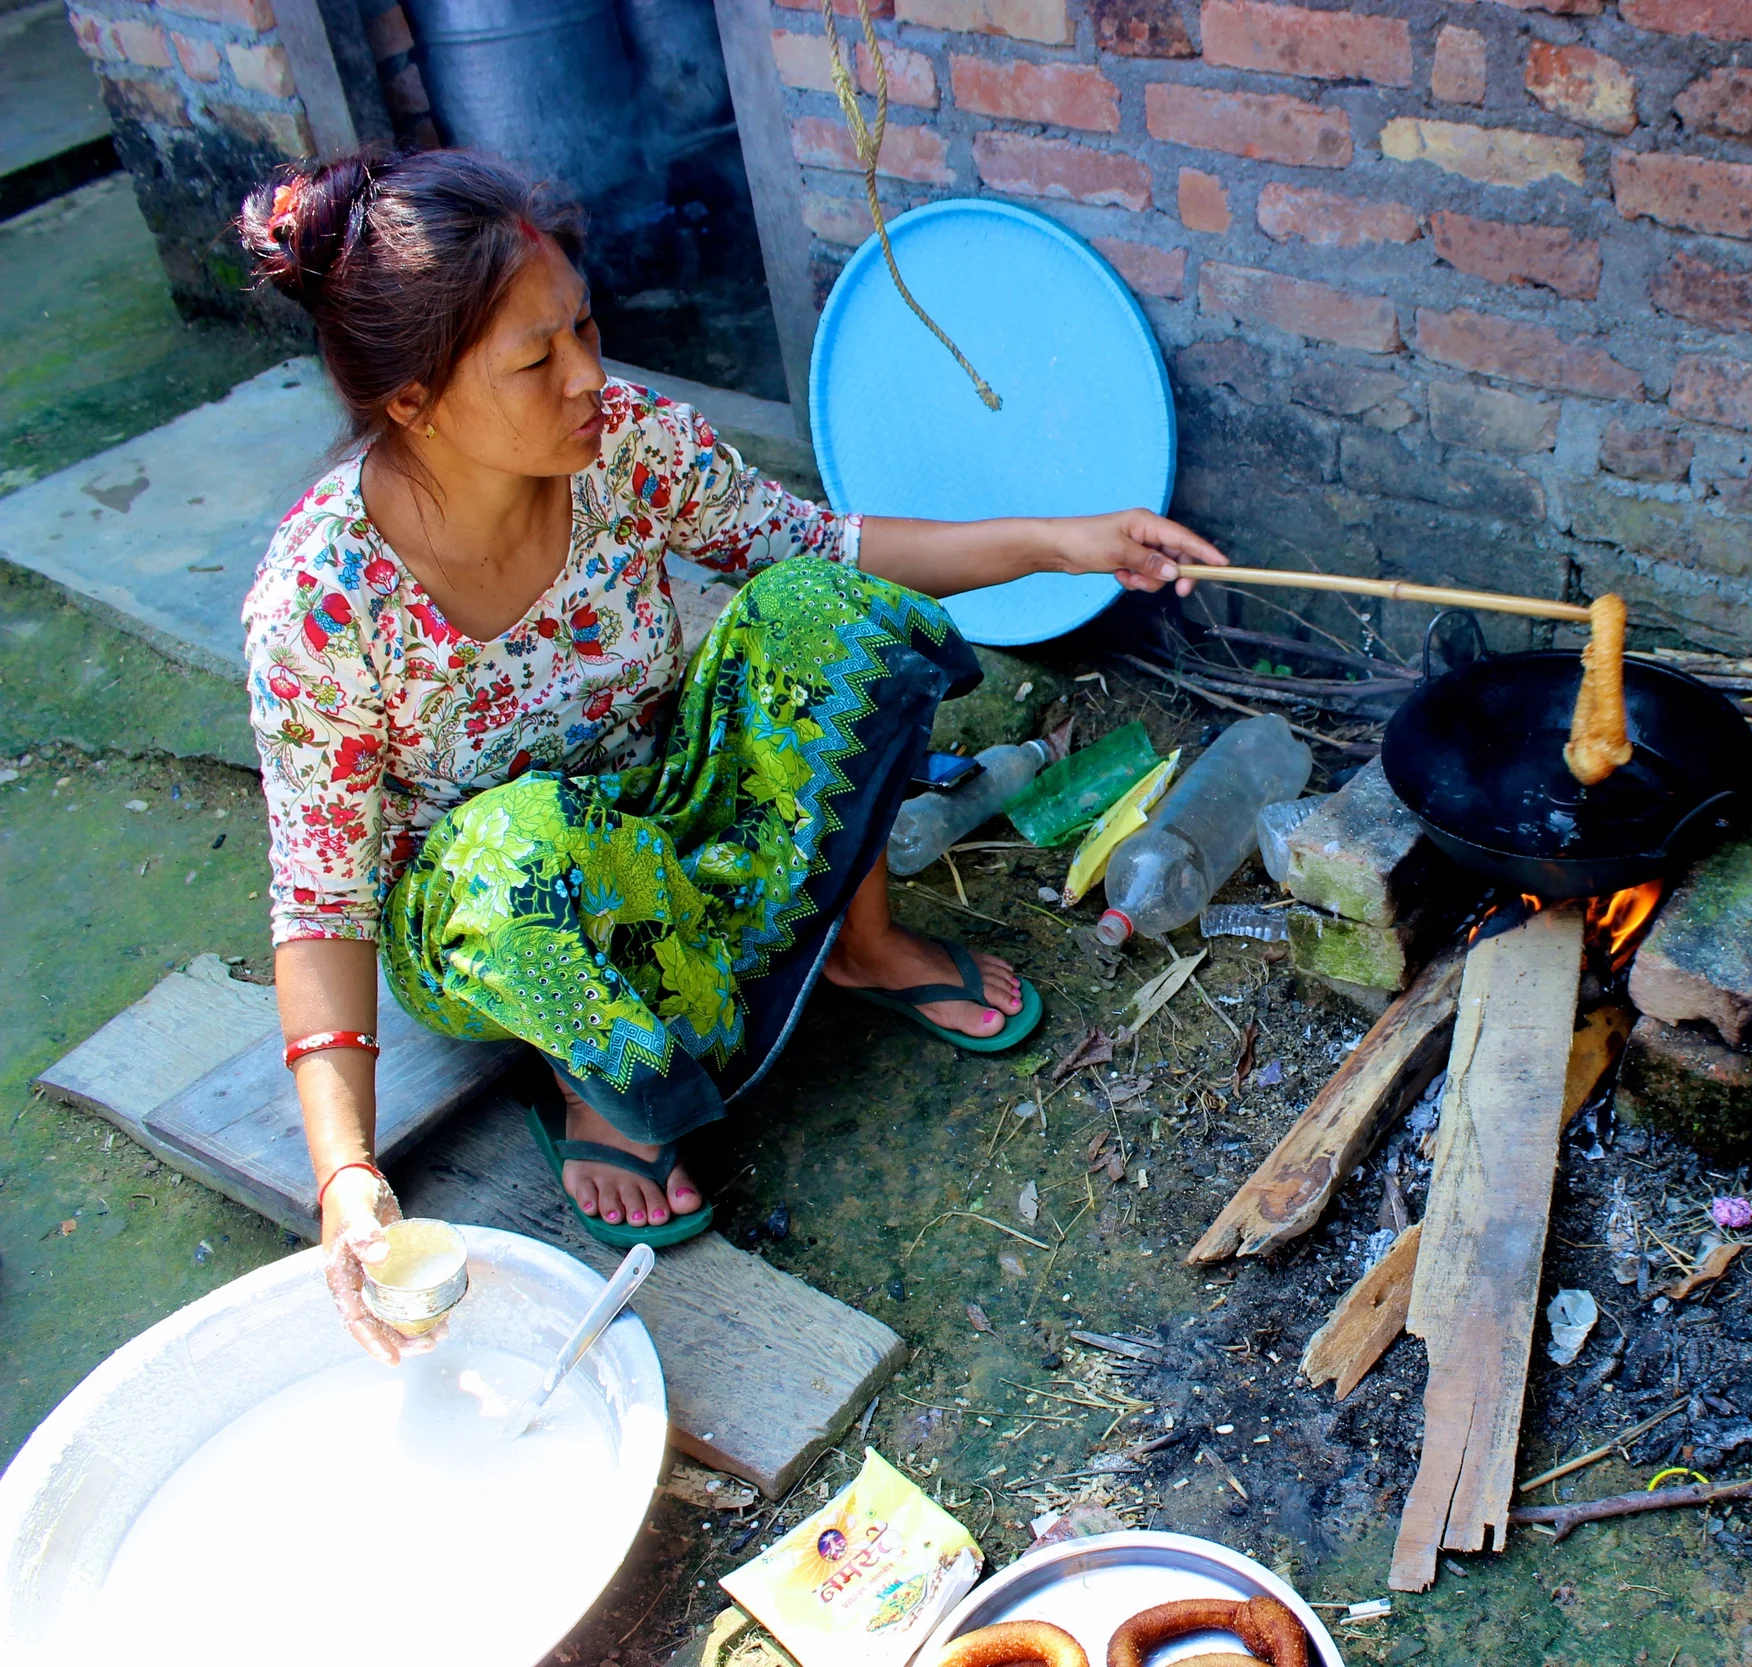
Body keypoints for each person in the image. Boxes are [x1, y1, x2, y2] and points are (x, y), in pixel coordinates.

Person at [234, 147, 1224, 1361]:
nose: (588, 376)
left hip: (674, 816)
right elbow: (322, 901)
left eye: (584, 327)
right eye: (537, 360)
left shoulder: (622, 444)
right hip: (501, 910)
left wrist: (1065, 543)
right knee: (519, 846)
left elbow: (821, 547)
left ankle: (858, 943)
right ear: (413, 401)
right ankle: (597, 1081)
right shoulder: (322, 604)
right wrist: (345, 1172)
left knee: (820, 611)